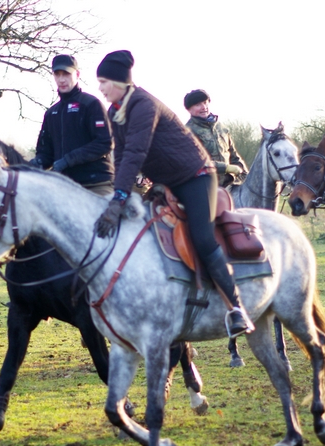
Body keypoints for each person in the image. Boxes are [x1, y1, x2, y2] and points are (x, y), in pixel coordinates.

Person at [93, 50, 253, 337]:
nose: (100, 88)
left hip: (196, 177)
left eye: (103, 82)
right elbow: (121, 156)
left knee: (203, 239)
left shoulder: (143, 105)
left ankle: (236, 308)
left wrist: (119, 198)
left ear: (118, 81)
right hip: (166, 183)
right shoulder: (115, 111)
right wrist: (119, 194)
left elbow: (136, 152)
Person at [32, 54, 114, 196]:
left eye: (66, 74)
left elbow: (105, 143)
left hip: (96, 184)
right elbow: (45, 154)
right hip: (63, 186)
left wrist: (68, 160)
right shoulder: (51, 113)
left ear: (77, 74)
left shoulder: (91, 104)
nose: (61, 79)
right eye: (57, 74)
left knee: (107, 211)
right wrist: (29, 165)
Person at [183, 89, 248, 187]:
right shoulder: (187, 132)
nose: (204, 107)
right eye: (198, 105)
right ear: (189, 109)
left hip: (229, 184)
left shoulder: (222, 128)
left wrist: (246, 176)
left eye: (205, 102)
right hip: (204, 186)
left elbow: (234, 156)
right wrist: (226, 168)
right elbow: (196, 162)